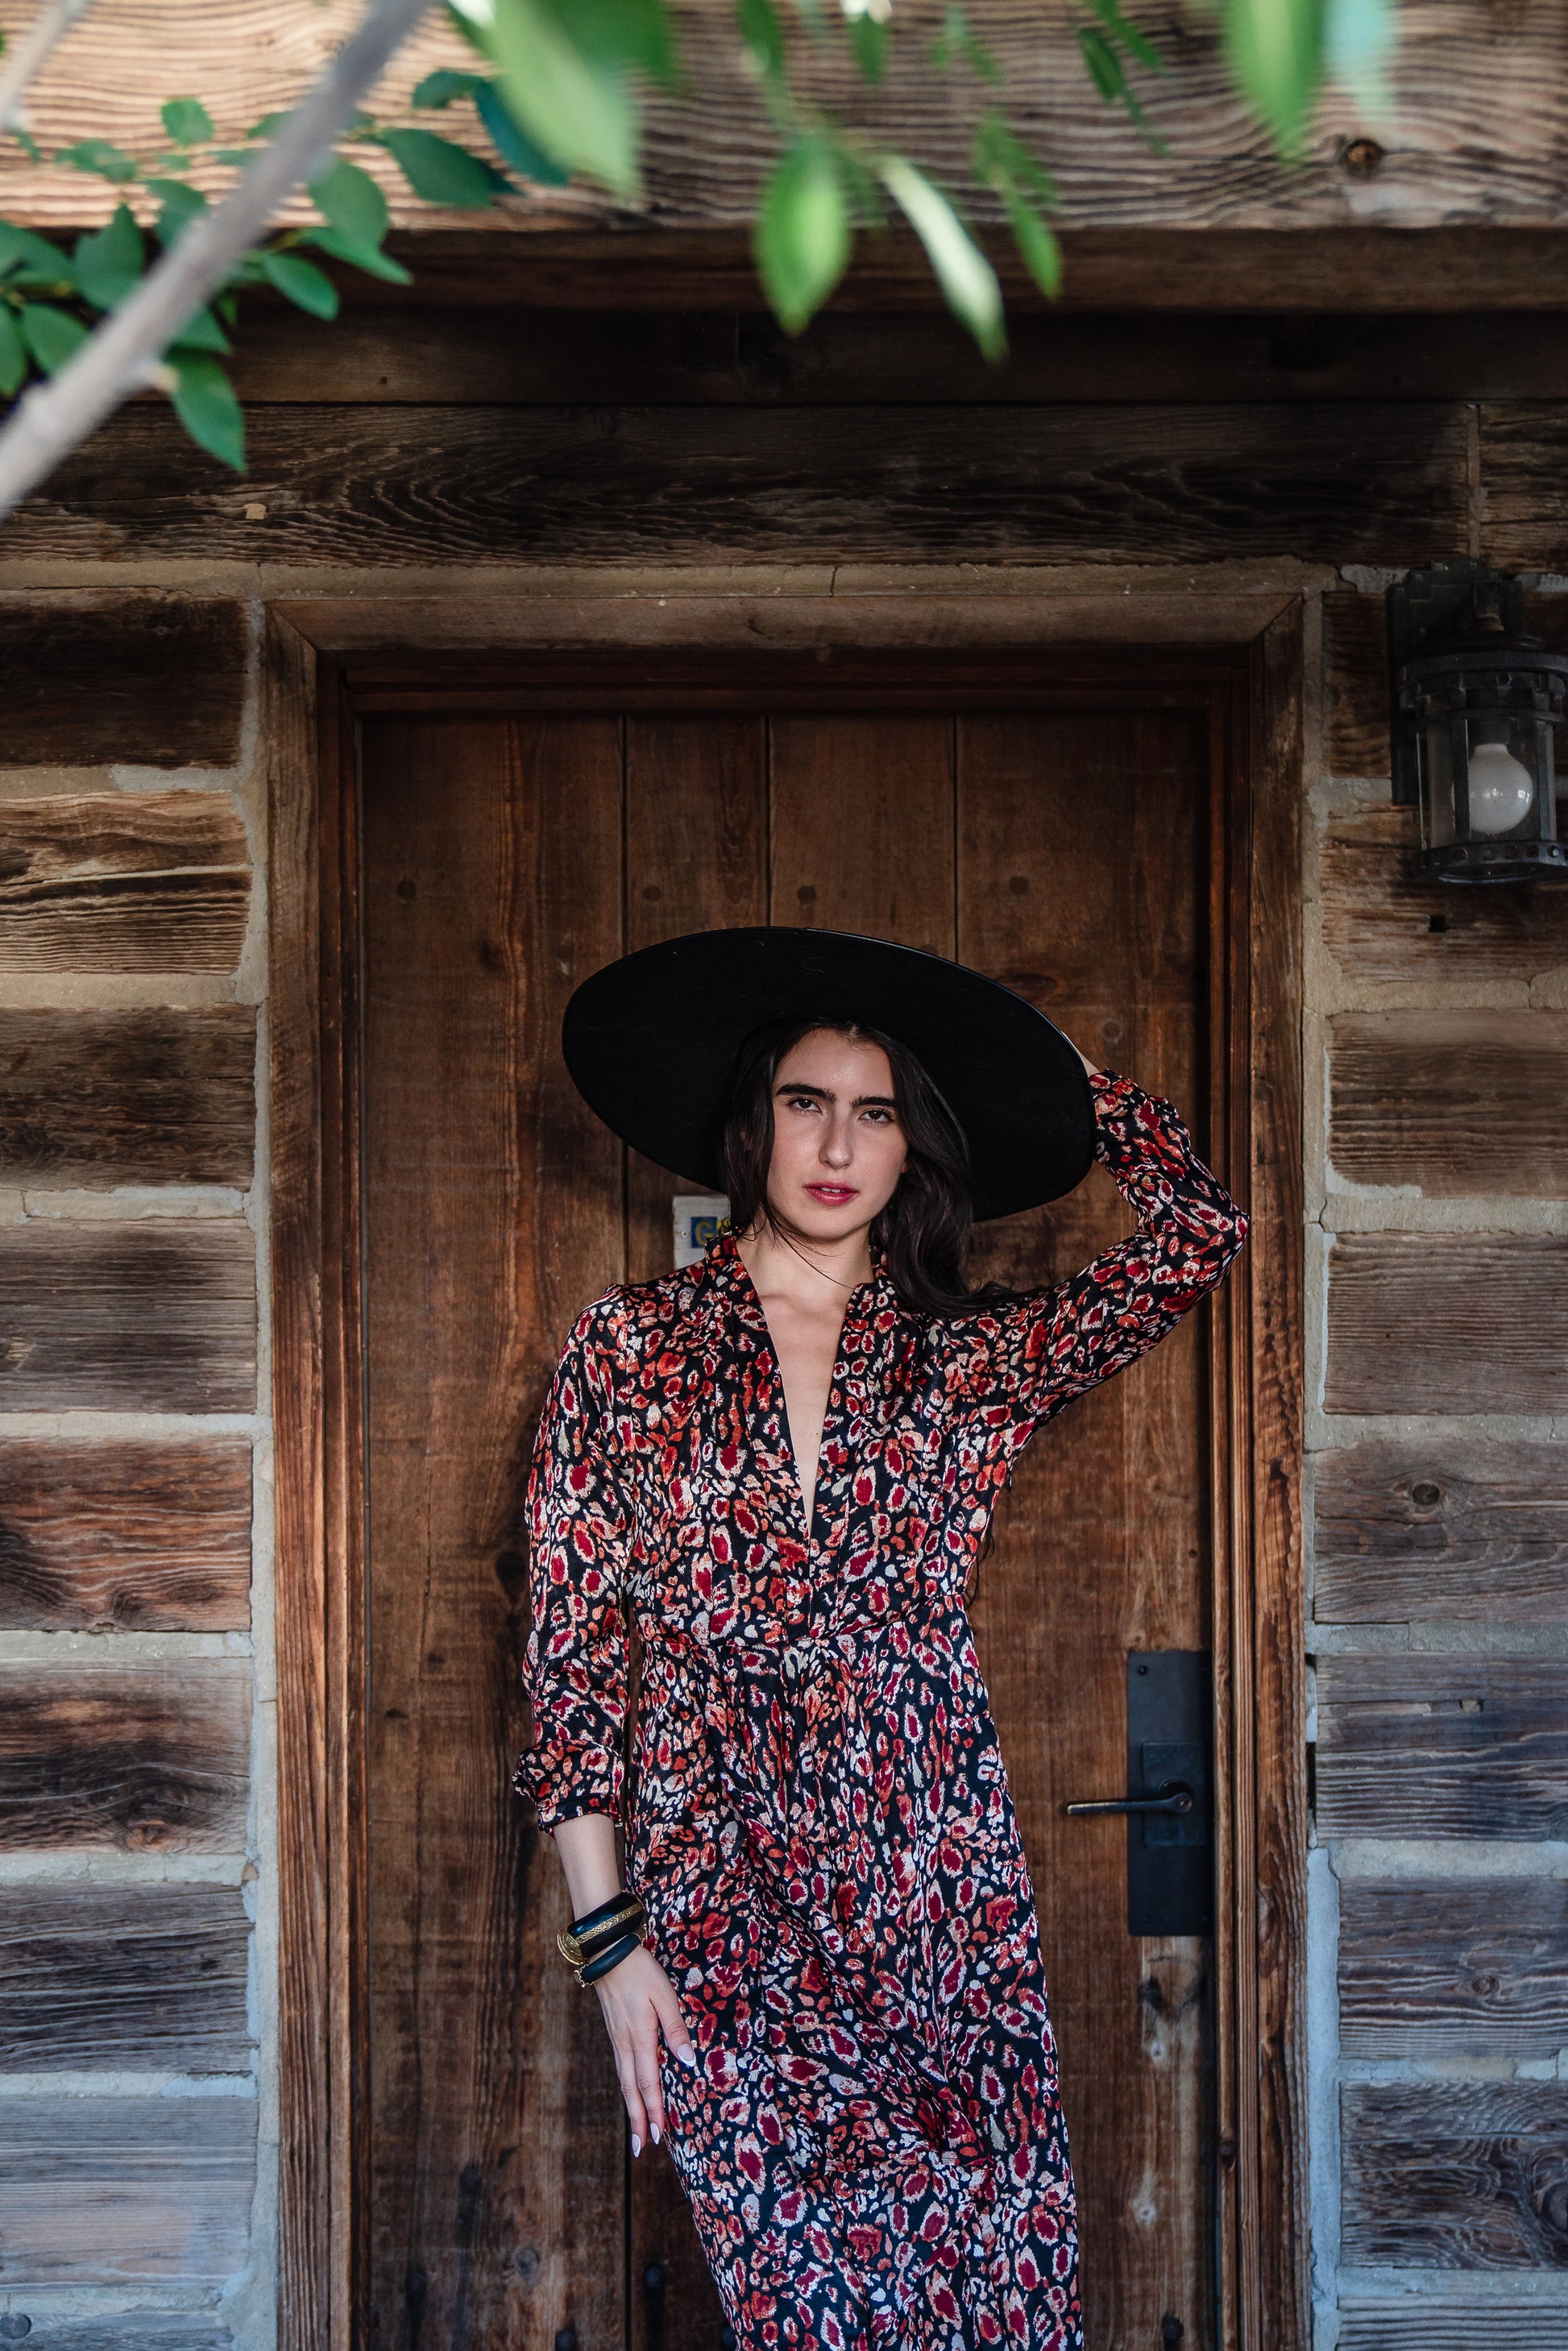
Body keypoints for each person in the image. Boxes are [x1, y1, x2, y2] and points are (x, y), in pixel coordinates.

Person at [514, 927, 1247, 2351]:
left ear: (916, 1146)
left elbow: (1199, 1237)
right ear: (750, 1124)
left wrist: (1059, 1082)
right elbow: (569, 1645)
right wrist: (611, 1942)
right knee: (807, 2303)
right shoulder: (629, 1342)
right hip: (720, 1890)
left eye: (877, 1109)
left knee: (986, 2287)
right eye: (805, 1101)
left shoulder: (965, 1357)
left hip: (933, 1890)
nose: (836, 1142)